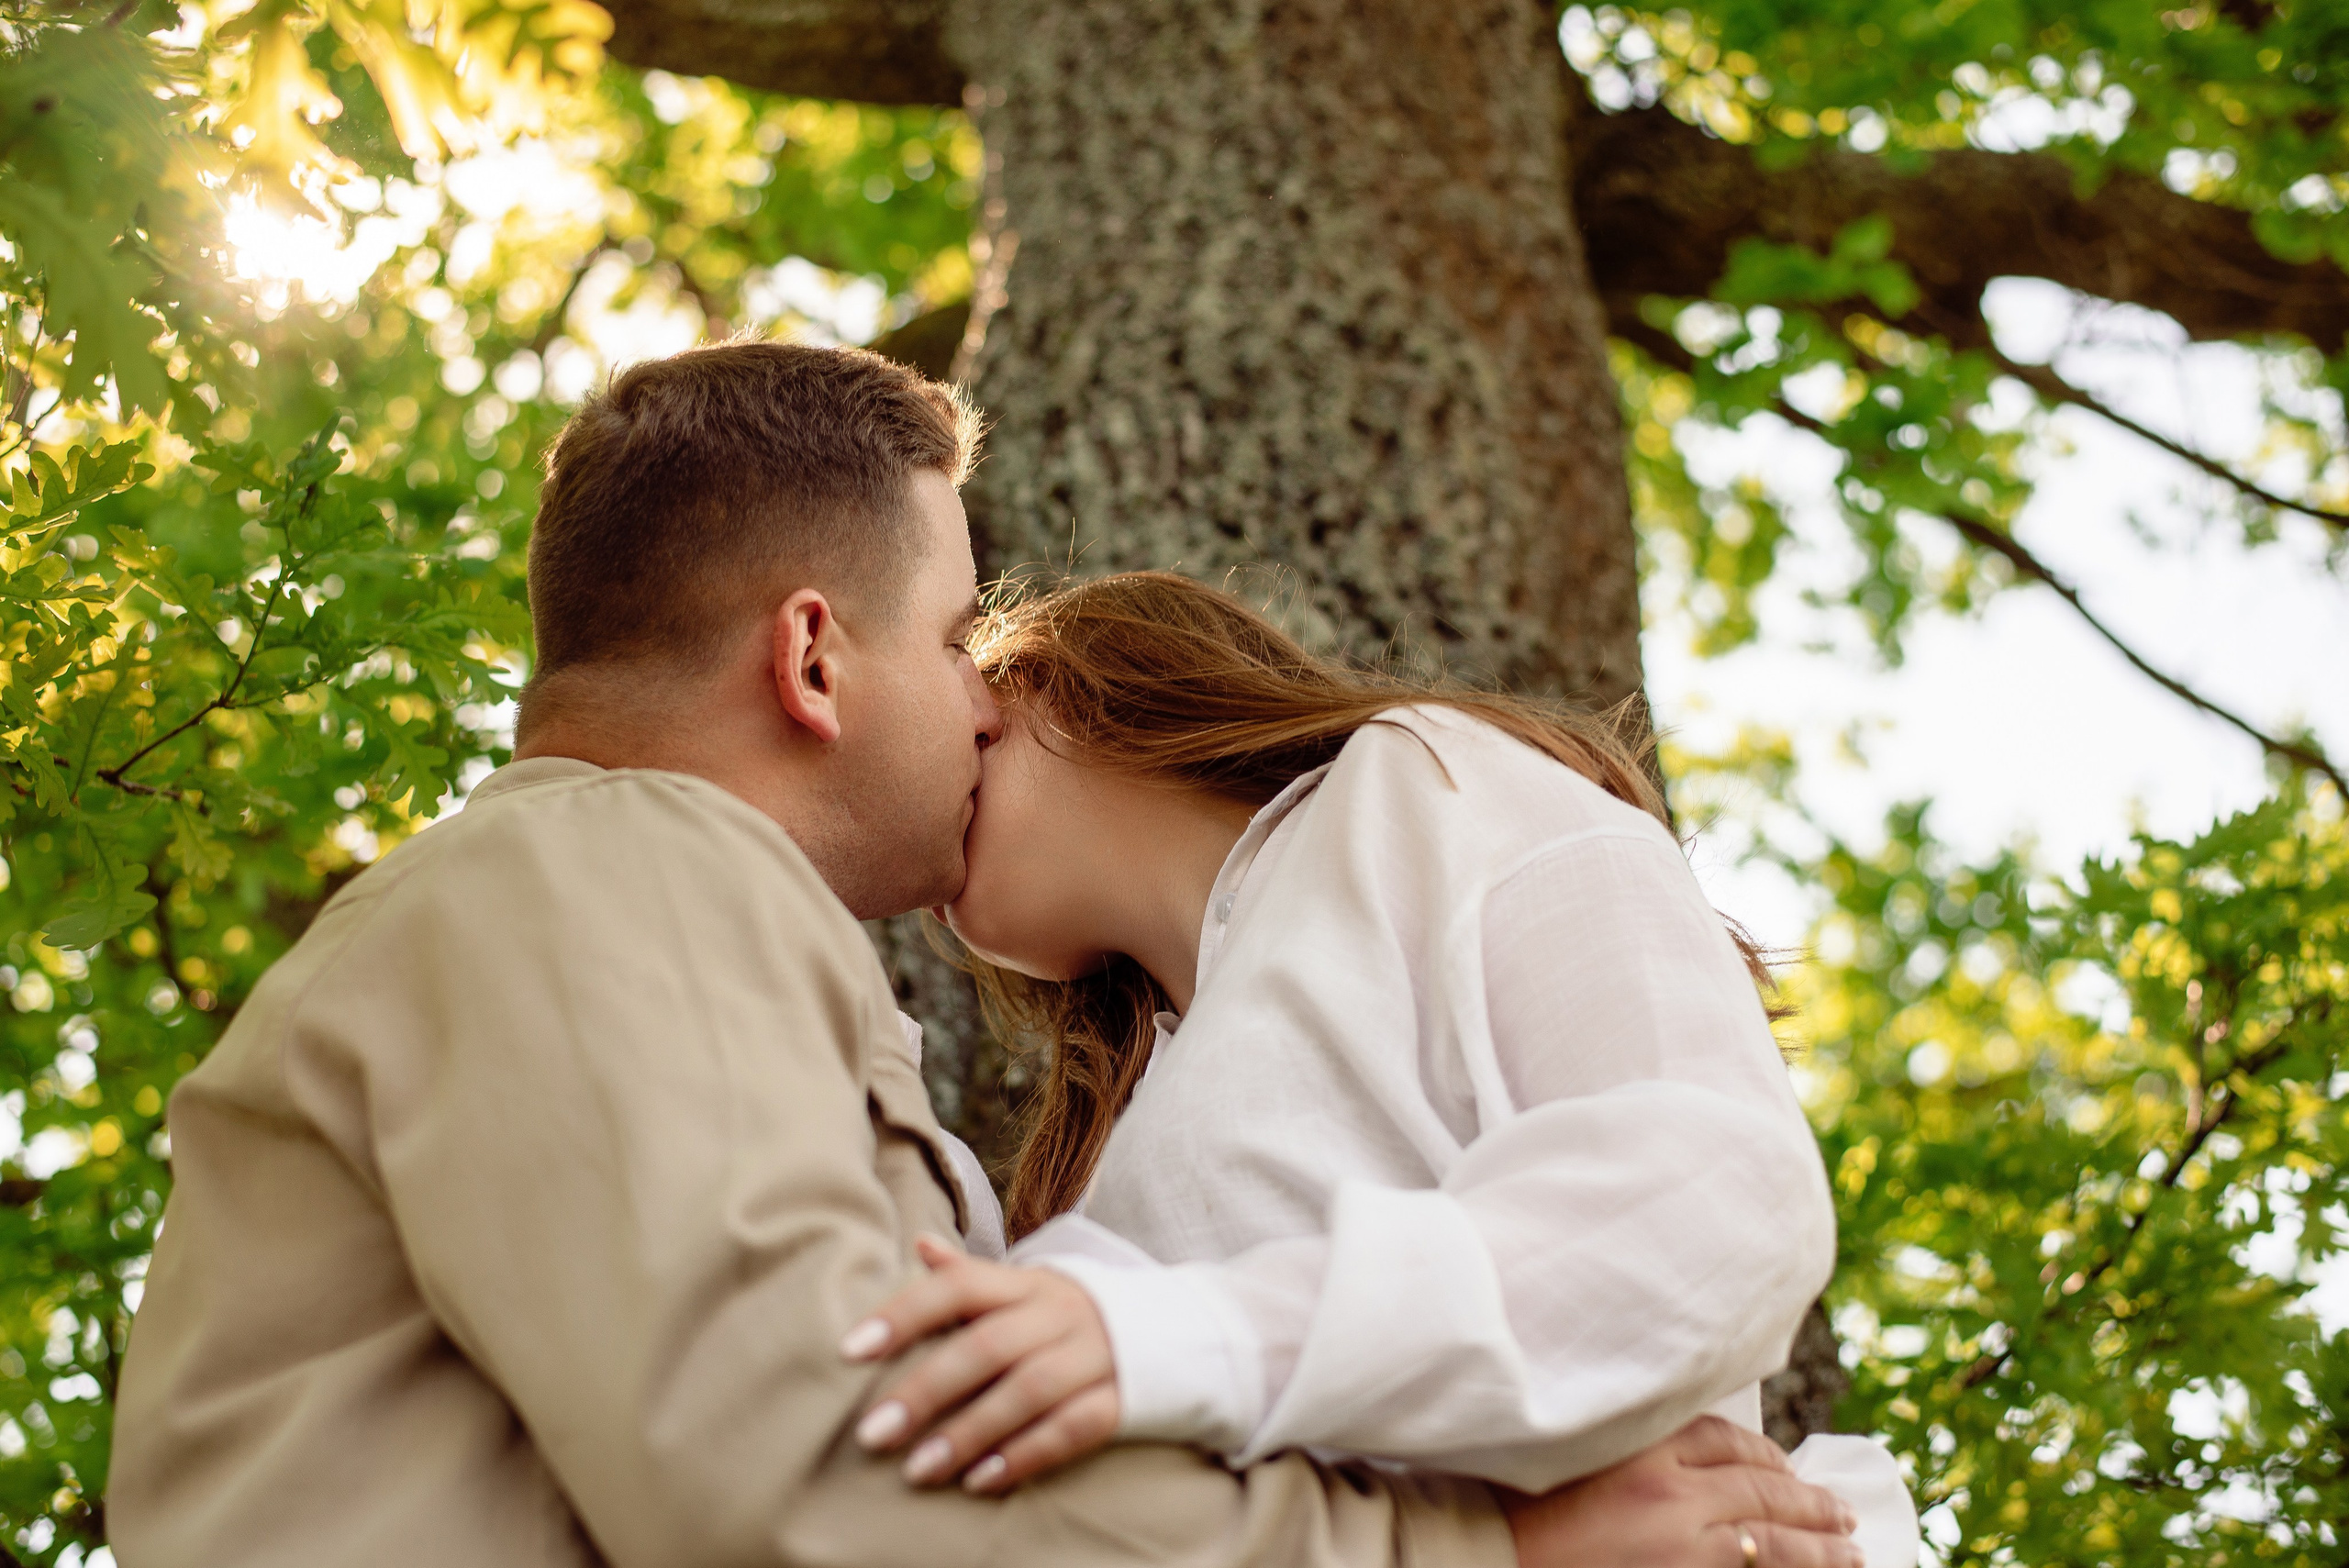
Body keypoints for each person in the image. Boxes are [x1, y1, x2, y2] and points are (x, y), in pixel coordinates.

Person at [106, 341, 1863, 1568]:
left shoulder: (1421, 803)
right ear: (813, 657)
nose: (972, 693)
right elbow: (824, 1460)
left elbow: (1706, 1189)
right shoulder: (611, 864)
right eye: (956, 633)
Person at [832, 573, 1920, 1567]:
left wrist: (1184, 1337)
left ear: (1090, 677)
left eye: (967, 664)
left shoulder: (1426, 782)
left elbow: (1712, 1196)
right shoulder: (1088, 1168)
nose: (945, 740)